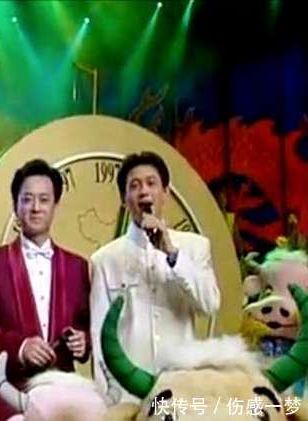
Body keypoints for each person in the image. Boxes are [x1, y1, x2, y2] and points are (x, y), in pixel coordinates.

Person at [89, 151, 221, 404]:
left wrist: (172, 254)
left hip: (182, 389)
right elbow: (99, 335)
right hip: (129, 395)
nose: (143, 192)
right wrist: (109, 398)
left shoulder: (195, 247)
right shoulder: (105, 260)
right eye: (134, 186)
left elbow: (210, 304)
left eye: (151, 183)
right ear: (124, 198)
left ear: (165, 193)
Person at [0, 159, 91, 421]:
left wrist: (83, 342)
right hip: (12, 396)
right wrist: (20, 347)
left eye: (44, 200)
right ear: (15, 205)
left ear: (55, 206)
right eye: (27, 199)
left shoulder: (77, 266)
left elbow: (87, 325)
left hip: (65, 401)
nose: (36, 208)